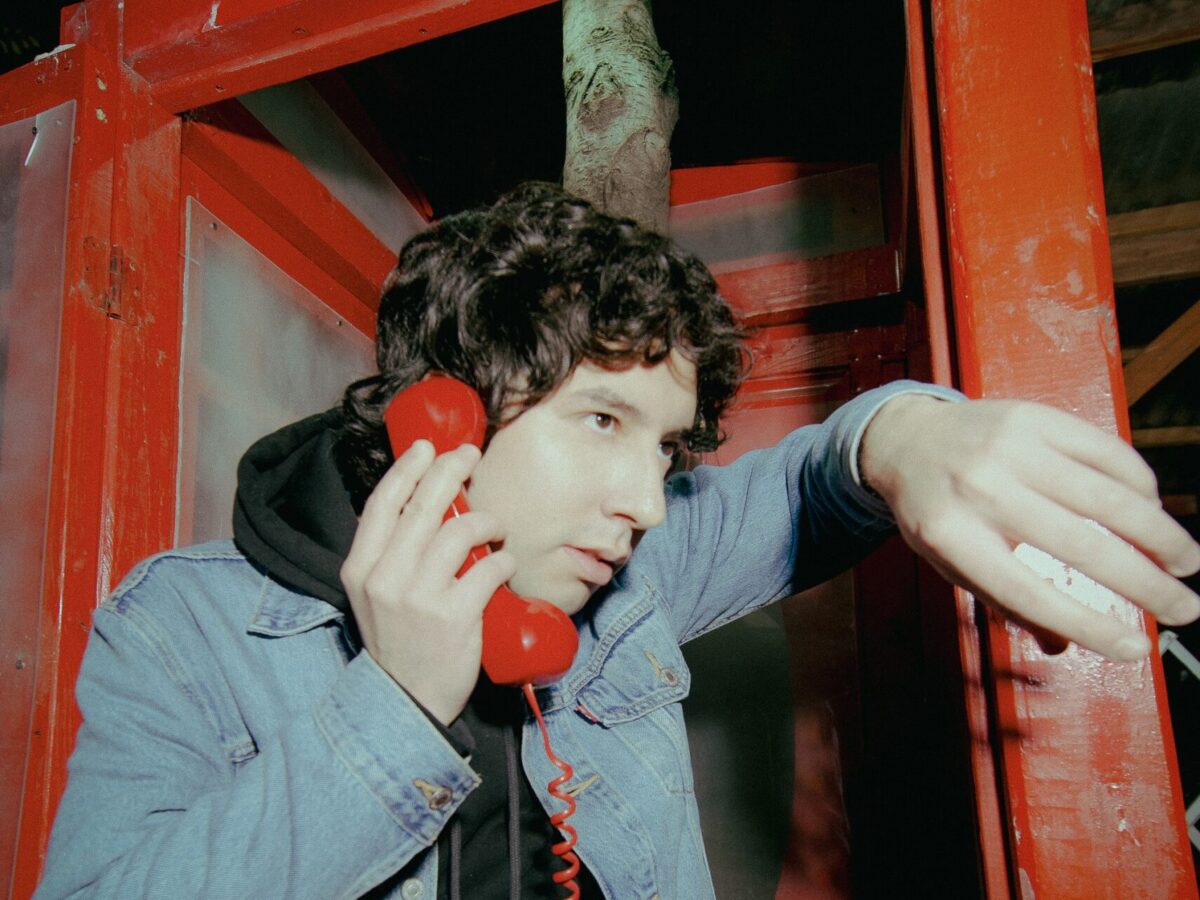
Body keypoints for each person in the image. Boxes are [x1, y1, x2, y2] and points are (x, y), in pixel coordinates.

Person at [35, 183, 1200, 899]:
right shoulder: (180, 627)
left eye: (665, 448)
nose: (645, 502)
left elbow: (815, 483)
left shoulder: (631, 576)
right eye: (603, 421)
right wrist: (392, 709)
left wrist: (905, 437)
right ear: (441, 412)